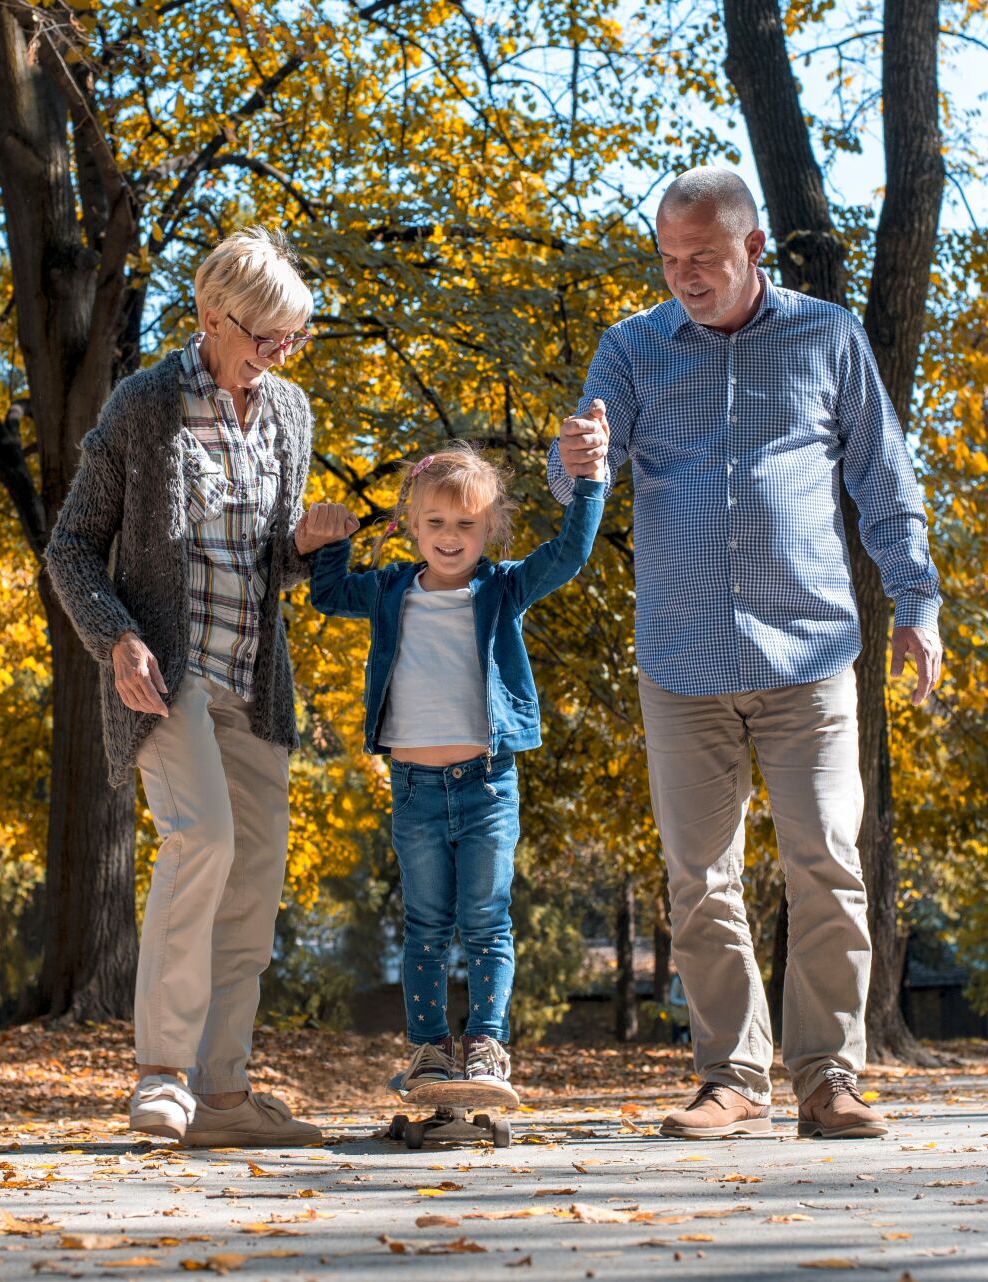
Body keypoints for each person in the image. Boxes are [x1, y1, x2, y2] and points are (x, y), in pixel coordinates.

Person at [547, 167, 944, 1140]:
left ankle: (829, 1077)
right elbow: (579, 481)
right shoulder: (633, 349)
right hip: (682, 663)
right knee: (700, 880)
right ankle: (731, 1076)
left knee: (826, 865)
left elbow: (885, 484)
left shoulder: (827, 338)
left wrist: (917, 600)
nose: (684, 275)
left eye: (705, 258)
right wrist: (575, 464)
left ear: (754, 248)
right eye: (670, 259)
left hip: (809, 657)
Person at [43, 227, 334, 1147]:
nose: (280, 356)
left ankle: (222, 1092)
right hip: (167, 681)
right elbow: (73, 547)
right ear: (214, 318)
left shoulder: (288, 413)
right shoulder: (143, 406)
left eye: (295, 339)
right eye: (267, 338)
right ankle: (161, 1073)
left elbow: (272, 561)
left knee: (252, 879)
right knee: (201, 838)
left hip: (255, 680)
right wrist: (117, 638)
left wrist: (311, 548)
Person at [301, 441, 607, 1105]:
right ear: (412, 526)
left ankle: (486, 1047)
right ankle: (431, 1051)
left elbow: (571, 554)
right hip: (413, 790)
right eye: (435, 523)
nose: (449, 537)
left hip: (487, 785)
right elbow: (326, 594)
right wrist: (331, 540)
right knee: (427, 927)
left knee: (487, 921)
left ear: (489, 528)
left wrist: (588, 485)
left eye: (466, 525)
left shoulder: (502, 590)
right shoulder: (388, 593)